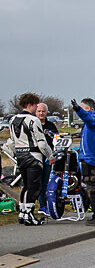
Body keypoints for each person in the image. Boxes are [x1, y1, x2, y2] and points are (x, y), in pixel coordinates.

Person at [5, 92, 52, 226]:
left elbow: (12, 141)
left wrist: (15, 154)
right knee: (34, 186)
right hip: (33, 156)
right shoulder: (33, 120)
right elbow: (42, 143)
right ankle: (29, 214)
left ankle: (22, 213)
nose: (37, 109)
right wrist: (50, 156)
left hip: (20, 155)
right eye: (36, 106)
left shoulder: (13, 120)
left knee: (26, 185)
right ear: (30, 104)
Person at [71, 97, 95, 225]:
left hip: (91, 159)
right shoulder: (94, 122)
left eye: (82, 108)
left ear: (89, 109)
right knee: (91, 187)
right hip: (90, 158)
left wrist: (78, 110)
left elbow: (88, 118)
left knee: (93, 188)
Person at [35, 102, 59, 215]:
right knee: (37, 182)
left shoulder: (50, 126)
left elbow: (57, 139)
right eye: (39, 111)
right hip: (36, 157)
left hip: (49, 158)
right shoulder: (33, 124)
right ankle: (40, 204)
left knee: (46, 181)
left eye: (43, 111)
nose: (41, 113)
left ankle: (45, 204)